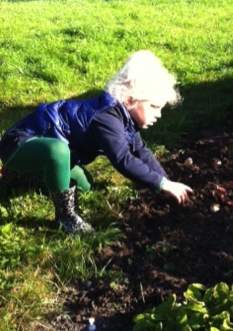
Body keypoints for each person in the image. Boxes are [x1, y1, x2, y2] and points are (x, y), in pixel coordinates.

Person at [0, 51, 192, 233]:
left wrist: (166, 181)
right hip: (19, 143)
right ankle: (65, 217)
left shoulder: (126, 120)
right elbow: (123, 159)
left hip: (47, 150)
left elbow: (141, 152)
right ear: (131, 100)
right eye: (154, 107)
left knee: (85, 184)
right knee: (58, 151)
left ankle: (22, 176)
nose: (158, 115)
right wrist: (160, 184)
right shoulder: (106, 118)